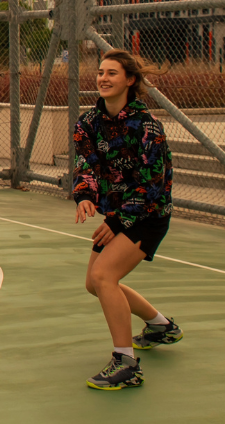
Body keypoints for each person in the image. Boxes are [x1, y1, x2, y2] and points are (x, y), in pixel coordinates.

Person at [72, 49, 182, 391]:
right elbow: (86, 165)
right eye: (100, 72)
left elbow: (151, 185)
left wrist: (118, 222)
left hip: (148, 215)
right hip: (119, 216)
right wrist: (86, 195)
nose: (103, 78)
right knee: (95, 283)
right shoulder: (88, 123)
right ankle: (160, 326)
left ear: (129, 80)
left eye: (112, 73)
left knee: (105, 275)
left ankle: (126, 363)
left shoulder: (148, 127)